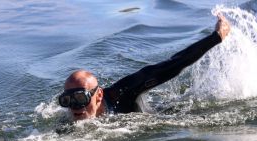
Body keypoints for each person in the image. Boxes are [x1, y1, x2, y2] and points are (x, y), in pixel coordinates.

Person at [58, 15, 231, 121]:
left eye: (81, 97)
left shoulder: (124, 92)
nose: (75, 107)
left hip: (164, 115)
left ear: (99, 95)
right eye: (67, 100)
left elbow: (172, 65)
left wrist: (215, 37)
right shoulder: (69, 121)